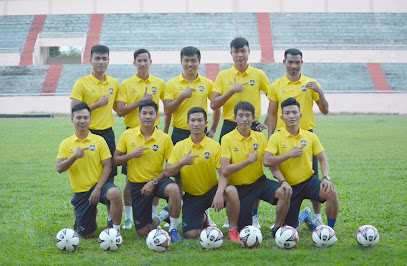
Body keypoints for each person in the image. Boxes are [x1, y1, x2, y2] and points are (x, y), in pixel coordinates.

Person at [210, 37, 271, 228]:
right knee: (226, 171)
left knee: (254, 171)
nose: (240, 55)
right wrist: (232, 91)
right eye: (236, 51)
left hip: (252, 127)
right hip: (229, 127)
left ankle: (253, 216)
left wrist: (268, 122)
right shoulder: (223, 76)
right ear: (231, 53)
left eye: (243, 51)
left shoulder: (259, 74)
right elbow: (213, 104)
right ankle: (231, 218)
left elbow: (275, 98)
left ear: (248, 52)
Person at [265, 48, 329, 228]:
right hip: (282, 138)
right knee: (284, 180)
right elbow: (271, 114)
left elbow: (325, 110)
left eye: (297, 62)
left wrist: (320, 92)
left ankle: (317, 218)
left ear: (302, 63)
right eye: (290, 62)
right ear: (284, 62)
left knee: (313, 178)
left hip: (306, 137)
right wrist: (271, 139)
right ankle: (287, 217)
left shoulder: (310, 84)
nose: (293, 66)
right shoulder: (276, 85)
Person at [263, 97, 338, 238]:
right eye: (287, 113)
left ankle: (330, 231)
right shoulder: (276, 138)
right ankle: (304, 217)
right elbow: (267, 161)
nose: (291, 116)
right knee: (291, 231)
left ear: (300, 115)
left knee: (331, 192)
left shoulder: (310, 136)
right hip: (290, 188)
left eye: (294, 112)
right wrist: (289, 155)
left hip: (309, 182)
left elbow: (322, 158)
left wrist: (326, 177)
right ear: (282, 117)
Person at [165, 107, 240, 242]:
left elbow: (223, 173)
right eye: (193, 120)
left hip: (212, 192)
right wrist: (182, 162)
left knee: (231, 190)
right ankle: (203, 217)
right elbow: (168, 171)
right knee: (191, 234)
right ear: (187, 123)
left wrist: (219, 193)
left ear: (206, 123)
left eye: (200, 120)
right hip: (192, 196)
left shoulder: (215, 145)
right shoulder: (180, 146)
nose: (196, 124)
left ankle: (233, 229)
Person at [164, 46, 221, 226]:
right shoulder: (172, 84)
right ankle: (175, 213)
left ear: (199, 62)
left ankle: (203, 213)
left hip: (200, 134)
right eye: (186, 60)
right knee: (179, 177)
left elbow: (216, 106)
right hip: (180, 133)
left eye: (193, 60)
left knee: (200, 173)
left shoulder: (207, 83)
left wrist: (212, 127)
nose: (190, 64)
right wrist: (182, 96)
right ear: (181, 62)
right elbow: (167, 110)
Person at [113, 100, 183, 243]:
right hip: (138, 186)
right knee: (143, 232)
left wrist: (154, 181)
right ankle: (163, 215)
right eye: (144, 113)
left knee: (174, 189)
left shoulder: (164, 138)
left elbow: (170, 168)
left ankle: (173, 230)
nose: (148, 116)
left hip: (158, 181)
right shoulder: (128, 135)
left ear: (157, 116)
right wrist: (131, 155)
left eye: (151, 113)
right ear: (138, 115)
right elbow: (116, 159)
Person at [219, 101, 290, 236]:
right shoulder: (227, 139)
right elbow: (225, 170)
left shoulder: (260, 137)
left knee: (284, 192)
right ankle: (236, 226)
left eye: (248, 115)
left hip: (259, 182)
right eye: (241, 115)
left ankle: (277, 229)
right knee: (243, 230)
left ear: (253, 118)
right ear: (235, 118)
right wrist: (249, 161)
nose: (244, 119)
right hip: (240, 188)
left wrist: (283, 181)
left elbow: (269, 163)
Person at [116, 48, 168, 230]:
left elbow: (167, 107)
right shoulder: (127, 84)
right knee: (130, 179)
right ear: (134, 63)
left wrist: (166, 129)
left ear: (150, 62)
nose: (143, 63)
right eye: (139, 60)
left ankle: (153, 214)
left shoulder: (159, 82)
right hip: (132, 133)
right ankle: (129, 217)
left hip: (154, 133)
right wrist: (142, 100)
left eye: (145, 60)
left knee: (154, 175)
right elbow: (120, 110)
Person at [70, 44, 119, 228]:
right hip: (86, 134)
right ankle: (78, 218)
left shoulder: (113, 83)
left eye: (104, 58)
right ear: (90, 60)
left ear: (108, 60)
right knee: (82, 177)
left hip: (107, 134)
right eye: (97, 58)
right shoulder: (81, 83)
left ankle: (109, 218)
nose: (101, 62)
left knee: (110, 176)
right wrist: (98, 104)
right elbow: (74, 112)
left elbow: (119, 109)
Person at [56, 103, 123, 238]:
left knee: (115, 193)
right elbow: (59, 168)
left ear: (90, 120)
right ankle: (89, 216)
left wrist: (98, 188)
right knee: (87, 235)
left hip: (100, 187)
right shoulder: (66, 143)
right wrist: (74, 156)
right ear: (72, 119)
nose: (82, 121)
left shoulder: (99, 140)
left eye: (85, 118)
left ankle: (116, 230)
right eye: (78, 118)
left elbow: (108, 166)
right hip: (82, 191)